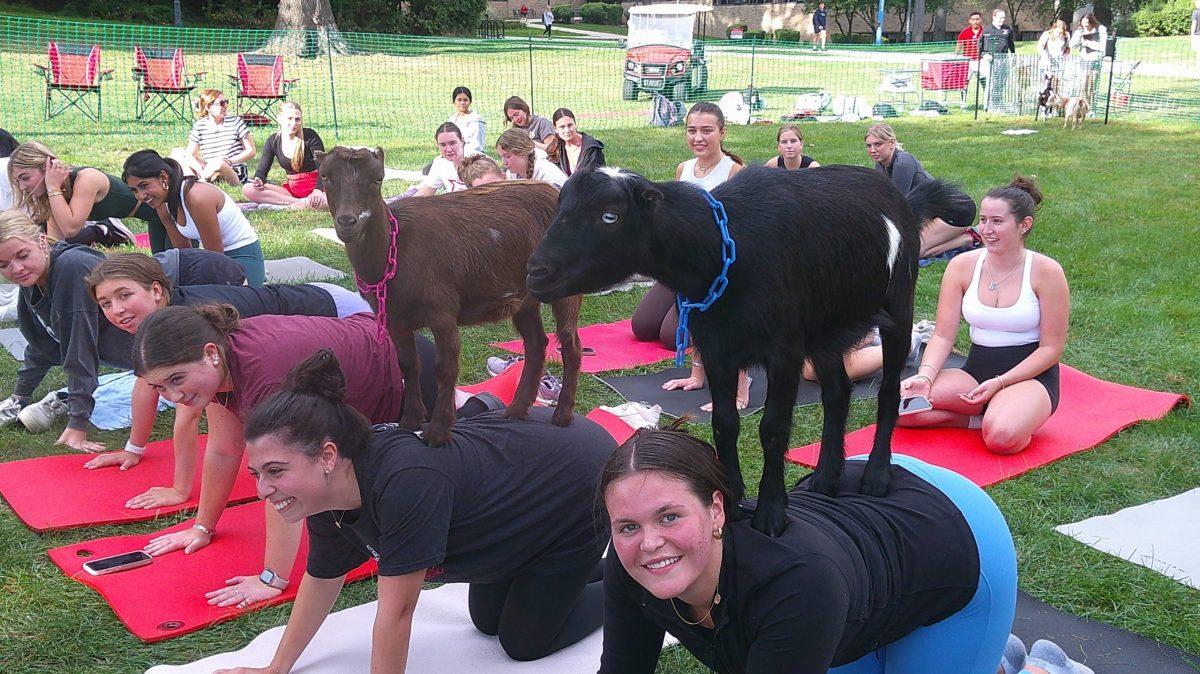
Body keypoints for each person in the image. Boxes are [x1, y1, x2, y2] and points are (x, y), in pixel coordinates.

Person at [214, 352, 613, 673]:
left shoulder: (405, 481)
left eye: (275, 471)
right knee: (487, 621)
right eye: (257, 474)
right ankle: (569, 573)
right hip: (523, 493)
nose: (263, 490)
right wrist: (275, 668)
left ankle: (623, 582)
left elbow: (398, 612)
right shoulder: (327, 494)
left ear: (327, 456)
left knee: (524, 643)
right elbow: (321, 581)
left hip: (578, 479)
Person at [597, 425, 1017, 674]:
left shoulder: (795, 582)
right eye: (629, 525)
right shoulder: (632, 562)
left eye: (670, 516)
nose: (649, 543)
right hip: (851, 504)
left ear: (717, 509)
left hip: (946, 533)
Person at [127, 304, 410, 609]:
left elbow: (283, 478)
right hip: (370, 362)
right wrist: (202, 528)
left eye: (177, 379)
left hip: (405, 370)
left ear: (211, 353)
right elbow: (224, 449)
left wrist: (271, 578)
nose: (174, 395)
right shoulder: (219, 367)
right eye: (160, 387)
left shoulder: (265, 377)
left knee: (393, 492)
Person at [81, 252, 379, 490]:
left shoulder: (188, 325)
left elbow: (191, 414)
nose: (116, 310)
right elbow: (145, 383)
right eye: (105, 303)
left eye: (124, 295)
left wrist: (180, 490)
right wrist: (135, 448)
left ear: (156, 290)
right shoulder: (157, 325)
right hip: (305, 316)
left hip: (334, 310)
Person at [899, 176, 1069, 456]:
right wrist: (926, 377)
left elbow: (1052, 348)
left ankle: (1002, 414)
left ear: (1024, 225)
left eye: (997, 221)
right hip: (976, 372)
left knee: (1001, 438)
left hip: (1029, 378)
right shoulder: (961, 266)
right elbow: (942, 334)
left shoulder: (1046, 271)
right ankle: (976, 419)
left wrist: (1001, 383)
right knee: (900, 407)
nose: (986, 230)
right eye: (983, 220)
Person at [629, 102, 750, 411]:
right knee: (643, 326)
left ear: (722, 133)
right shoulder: (684, 169)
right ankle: (699, 373)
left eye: (707, 131)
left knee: (675, 333)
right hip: (682, 267)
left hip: (719, 271)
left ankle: (740, 387)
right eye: (692, 130)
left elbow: (743, 231)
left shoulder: (735, 172)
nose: (699, 137)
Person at [0, 210, 133, 449]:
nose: (16, 269)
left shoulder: (71, 268)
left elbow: (79, 348)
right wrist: (19, 396)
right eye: (3, 265)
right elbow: (43, 343)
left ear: (42, 241)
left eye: (22, 255)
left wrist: (77, 424)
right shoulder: (36, 276)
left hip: (187, 316)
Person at [122, 150, 265, 286]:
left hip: (241, 256)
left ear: (163, 177)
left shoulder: (197, 198)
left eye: (144, 185)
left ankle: (258, 277)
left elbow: (216, 260)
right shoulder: (163, 206)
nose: (140, 196)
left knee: (215, 306)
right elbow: (185, 255)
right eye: (134, 190)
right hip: (213, 259)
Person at [7, 141, 168, 252]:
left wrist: (53, 186)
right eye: (17, 181)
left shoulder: (86, 179)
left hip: (168, 212)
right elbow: (55, 242)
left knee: (180, 271)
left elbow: (70, 228)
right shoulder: (54, 193)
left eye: (25, 178)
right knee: (164, 271)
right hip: (155, 218)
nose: (22, 187)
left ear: (46, 167)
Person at [865, 123, 978, 258]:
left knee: (913, 251)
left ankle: (970, 238)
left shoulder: (903, 163)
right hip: (933, 213)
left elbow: (899, 207)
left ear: (892, 143)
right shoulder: (880, 165)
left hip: (956, 211)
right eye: (869, 146)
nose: (872, 150)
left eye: (878, 144)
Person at [243, 102, 327, 211]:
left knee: (330, 201)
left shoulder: (310, 136)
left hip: (316, 188)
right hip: (291, 191)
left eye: (297, 119)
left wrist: (318, 190)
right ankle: (300, 204)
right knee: (248, 189)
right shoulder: (273, 141)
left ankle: (283, 206)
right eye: (289, 119)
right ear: (279, 118)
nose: (294, 123)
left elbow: (324, 168)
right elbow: (261, 172)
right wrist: (259, 180)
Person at [171, 89, 255, 185]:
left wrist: (231, 161)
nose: (226, 106)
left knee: (218, 163)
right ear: (208, 107)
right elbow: (190, 155)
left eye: (226, 102)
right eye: (221, 103)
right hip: (210, 167)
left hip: (233, 171)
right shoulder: (199, 126)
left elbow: (251, 151)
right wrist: (199, 168)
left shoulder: (235, 122)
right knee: (178, 152)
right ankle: (192, 180)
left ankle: (199, 182)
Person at [495, 128, 568, 188]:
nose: (504, 162)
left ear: (523, 152)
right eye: (501, 157)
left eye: (507, 156)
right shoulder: (511, 175)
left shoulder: (548, 175)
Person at [412, 123, 471, 197]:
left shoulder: (479, 162)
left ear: (462, 141)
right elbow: (426, 192)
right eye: (443, 145)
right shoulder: (440, 163)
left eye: (452, 143)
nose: (449, 149)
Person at [547, 108, 606, 177]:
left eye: (570, 125)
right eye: (562, 127)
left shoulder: (591, 148)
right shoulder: (556, 146)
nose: (567, 130)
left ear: (575, 124)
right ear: (555, 128)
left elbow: (589, 178)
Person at [979, 9, 1016, 113]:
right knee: (991, 84)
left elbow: (1011, 43)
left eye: (1003, 17)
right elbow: (981, 46)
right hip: (991, 60)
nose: (1002, 20)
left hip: (1004, 59)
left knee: (1001, 83)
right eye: (1000, 17)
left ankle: (998, 104)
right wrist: (985, 54)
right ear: (994, 17)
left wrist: (1013, 55)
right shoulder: (987, 30)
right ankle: (988, 106)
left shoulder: (1007, 29)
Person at [1070, 13, 1108, 105]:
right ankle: (1082, 106)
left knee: (1092, 85)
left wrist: (1087, 43)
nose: (1086, 25)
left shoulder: (1100, 30)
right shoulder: (1080, 31)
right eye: (1083, 22)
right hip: (1084, 60)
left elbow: (1103, 47)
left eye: (1087, 22)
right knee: (1083, 84)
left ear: (1092, 22)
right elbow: (1072, 45)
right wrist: (1079, 37)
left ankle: (1091, 106)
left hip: (1095, 60)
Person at [448, 86, 487, 156]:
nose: (462, 103)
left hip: (472, 156)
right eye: (459, 100)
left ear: (470, 101)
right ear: (454, 102)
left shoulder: (476, 120)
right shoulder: (452, 120)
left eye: (465, 100)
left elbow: (477, 147)